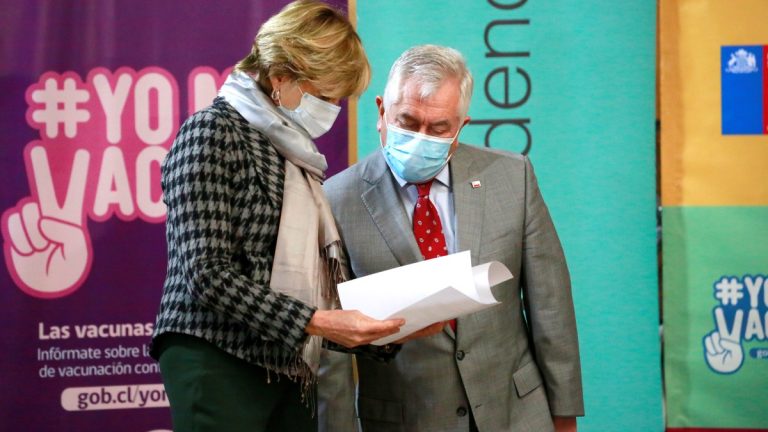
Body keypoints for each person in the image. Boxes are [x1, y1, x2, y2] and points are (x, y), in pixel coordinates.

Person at [150, 2, 421, 431]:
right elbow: (206, 274)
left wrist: (387, 331)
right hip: (216, 357)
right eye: (325, 95)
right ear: (280, 76)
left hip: (285, 360)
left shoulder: (293, 150)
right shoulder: (211, 131)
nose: (333, 107)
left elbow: (312, 282)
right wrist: (318, 322)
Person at [318, 45, 584, 432]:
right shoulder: (336, 199)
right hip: (405, 420)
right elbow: (333, 341)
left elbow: (551, 306)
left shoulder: (512, 177)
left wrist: (564, 415)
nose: (420, 138)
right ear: (381, 111)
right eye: (408, 121)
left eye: (439, 128)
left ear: (460, 127)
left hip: (516, 414)